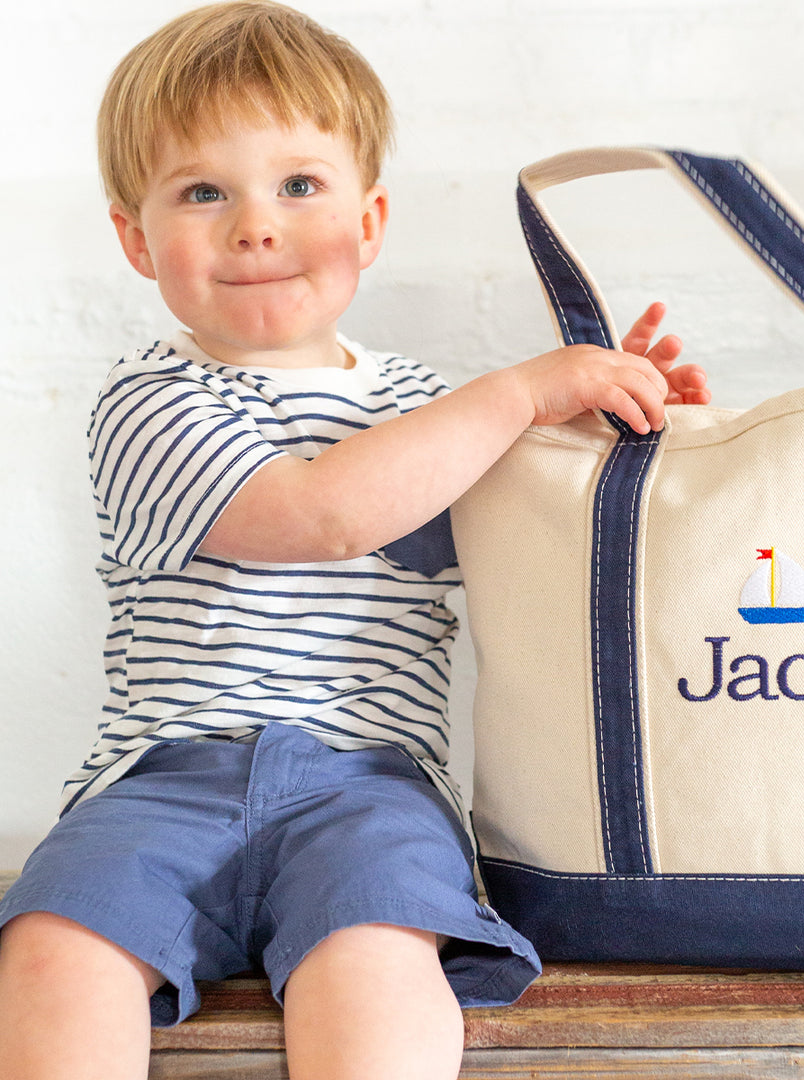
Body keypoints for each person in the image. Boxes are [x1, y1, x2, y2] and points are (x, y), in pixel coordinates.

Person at [0, 2, 711, 1077]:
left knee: (378, 950)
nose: (255, 225)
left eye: (299, 186)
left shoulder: (435, 411)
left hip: (373, 784)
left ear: (369, 221)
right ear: (136, 239)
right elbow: (321, 514)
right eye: (204, 191)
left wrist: (628, 432)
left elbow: (565, 562)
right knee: (56, 948)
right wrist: (523, 390)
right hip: (165, 778)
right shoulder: (148, 401)